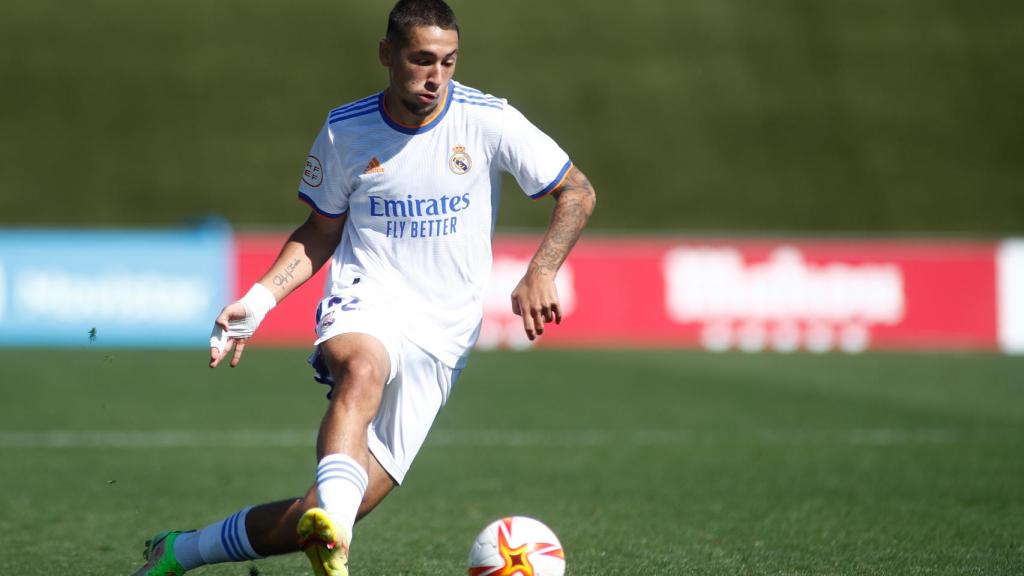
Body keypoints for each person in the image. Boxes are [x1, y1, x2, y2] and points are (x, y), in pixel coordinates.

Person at [130, 0, 595, 574]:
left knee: (321, 512)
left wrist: (542, 268)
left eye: (448, 61)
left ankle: (181, 550)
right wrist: (259, 299)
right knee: (363, 367)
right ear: (387, 54)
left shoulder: (487, 119)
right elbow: (321, 231)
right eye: (422, 60)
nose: (436, 77)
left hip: (444, 336)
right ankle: (336, 539)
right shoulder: (345, 129)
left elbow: (576, 191)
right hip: (366, 297)